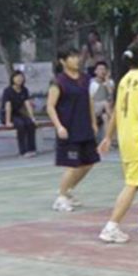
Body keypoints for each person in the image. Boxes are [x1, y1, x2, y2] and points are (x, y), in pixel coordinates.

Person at [98, 39, 138, 243]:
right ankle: (111, 226)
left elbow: (117, 111)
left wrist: (108, 136)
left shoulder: (125, 79)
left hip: (127, 138)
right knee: (134, 183)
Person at [47, 47, 100, 212]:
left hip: (84, 127)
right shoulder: (58, 82)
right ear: (63, 61)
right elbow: (50, 106)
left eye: (77, 57)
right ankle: (60, 198)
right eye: (72, 57)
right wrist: (59, 126)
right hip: (69, 129)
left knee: (89, 163)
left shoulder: (85, 79)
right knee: (72, 165)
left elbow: (89, 101)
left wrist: (93, 122)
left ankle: (68, 191)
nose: (76, 60)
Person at [0, 70, 38, 157]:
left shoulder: (24, 90)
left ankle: (31, 149)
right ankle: (23, 151)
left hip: (18, 114)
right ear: (12, 79)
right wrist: (8, 121)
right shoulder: (7, 91)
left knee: (30, 124)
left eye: (21, 77)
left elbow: (27, 104)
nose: (19, 79)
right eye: (17, 78)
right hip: (7, 115)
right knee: (20, 125)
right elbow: (8, 106)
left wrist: (32, 118)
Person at [89, 62, 115, 141]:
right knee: (105, 103)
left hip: (107, 108)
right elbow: (91, 99)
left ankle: (107, 139)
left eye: (104, 69)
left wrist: (107, 81)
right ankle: (114, 120)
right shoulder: (92, 83)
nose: (102, 71)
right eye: (100, 69)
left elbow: (111, 95)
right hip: (95, 107)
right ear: (95, 71)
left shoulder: (110, 82)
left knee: (105, 117)